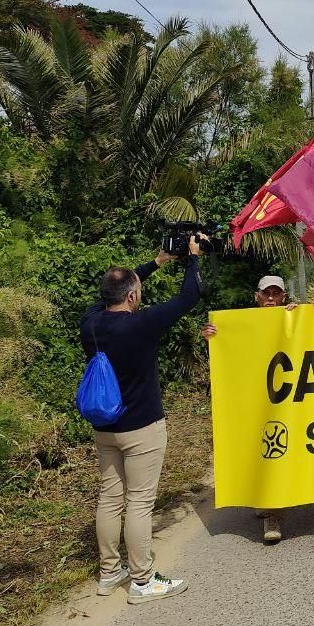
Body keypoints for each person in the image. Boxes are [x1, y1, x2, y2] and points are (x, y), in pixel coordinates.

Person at [81, 237, 204, 605]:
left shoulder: (91, 323)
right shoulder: (142, 324)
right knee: (139, 502)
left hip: (105, 428)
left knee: (109, 498)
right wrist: (191, 259)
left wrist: (155, 263)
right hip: (141, 428)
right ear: (133, 297)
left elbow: (111, 294)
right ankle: (142, 579)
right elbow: (188, 297)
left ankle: (108, 573)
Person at [200, 276, 310, 543]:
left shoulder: (293, 318)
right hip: (251, 399)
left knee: (277, 449)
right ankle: (261, 497)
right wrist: (213, 336)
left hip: (284, 399)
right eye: (266, 293)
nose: (271, 298)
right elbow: (227, 354)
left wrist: (306, 314)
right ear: (256, 296)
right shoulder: (242, 323)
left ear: (284, 296)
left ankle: (274, 512)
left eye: (277, 293)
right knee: (255, 449)